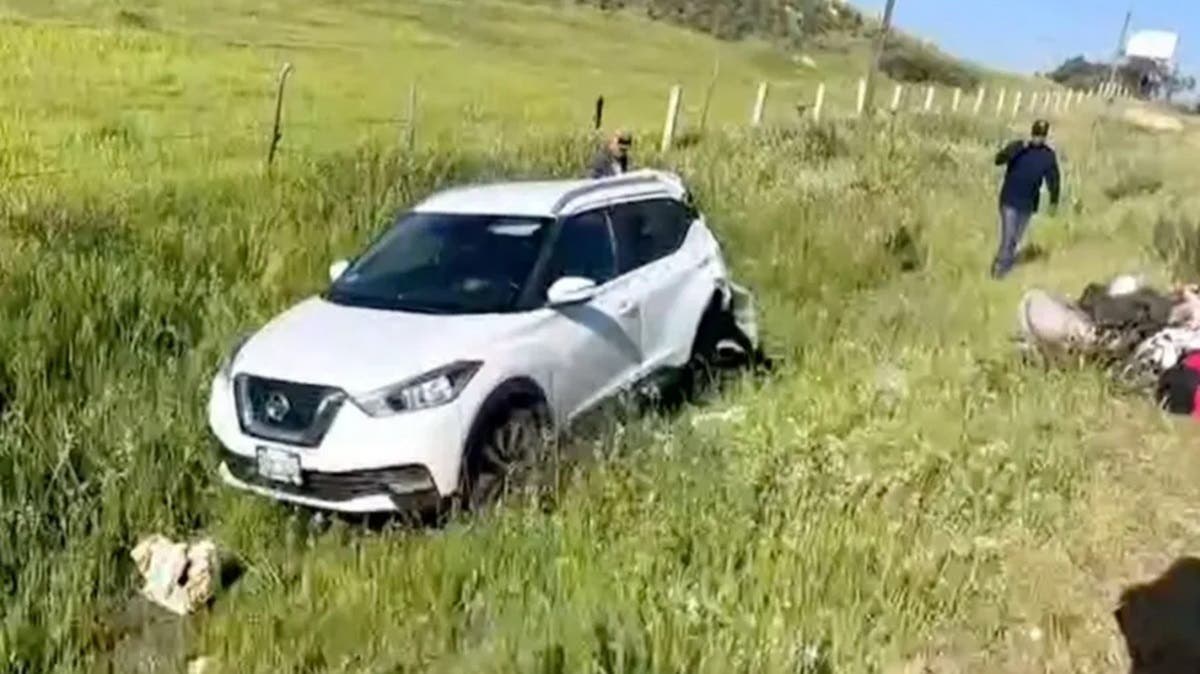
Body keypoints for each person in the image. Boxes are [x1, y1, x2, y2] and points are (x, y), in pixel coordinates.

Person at [991, 119, 1061, 279]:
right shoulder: (1019, 148)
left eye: (1042, 135)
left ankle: (1005, 265)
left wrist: (1053, 201)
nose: (1038, 138)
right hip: (1009, 200)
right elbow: (998, 160)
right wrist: (1015, 149)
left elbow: (1054, 179)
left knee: (1015, 239)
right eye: (1036, 134)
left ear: (1045, 136)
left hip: (1028, 204)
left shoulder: (1048, 156)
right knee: (1008, 237)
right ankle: (999, 271)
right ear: (1032, 133)